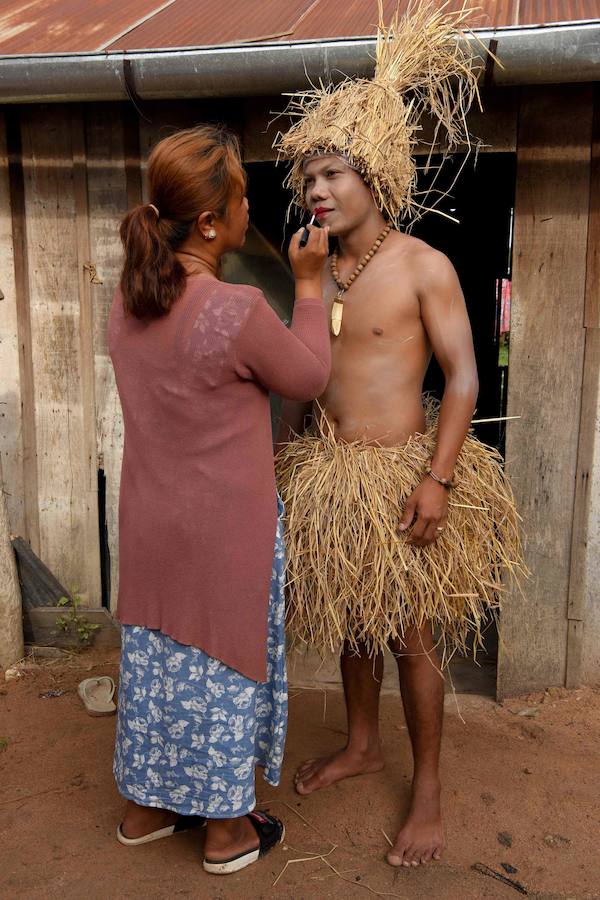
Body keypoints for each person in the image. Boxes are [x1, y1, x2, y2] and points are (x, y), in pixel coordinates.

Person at [274, 2, 525, 870]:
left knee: (412, 635)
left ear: (376, 174)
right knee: (351, 621)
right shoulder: (313, 264)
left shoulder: (424, 265)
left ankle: (426, 787)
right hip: (333, 476)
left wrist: (441, 478)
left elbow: (463, 376)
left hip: (404, 472)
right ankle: (361, 745)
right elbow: (306, 370)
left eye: (335, 172)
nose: (317, 190)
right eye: (309, 175)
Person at [108, 124, 330, 875]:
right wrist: (307, 284)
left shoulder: (128, 304)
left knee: (157, 665)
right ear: (209, 221)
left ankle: (147, 809)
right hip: (221, 538)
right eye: (241, 199)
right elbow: (308, 378)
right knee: (223, 672)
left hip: (148, 530)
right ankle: (229, 830)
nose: (248, 212)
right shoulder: (234, 310)